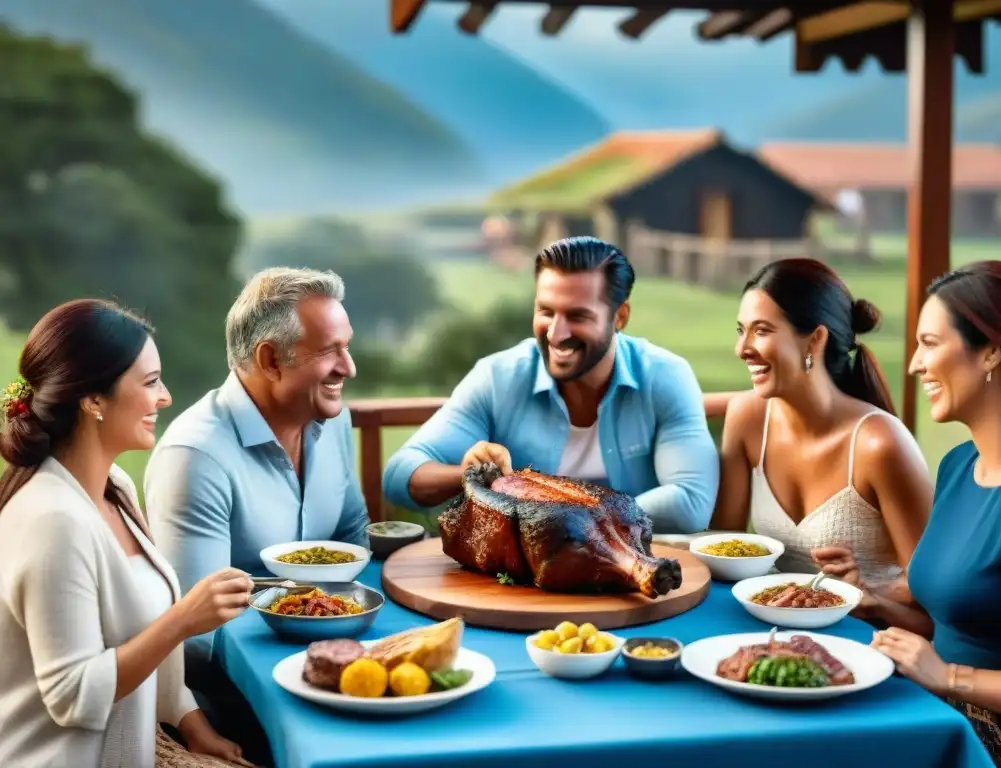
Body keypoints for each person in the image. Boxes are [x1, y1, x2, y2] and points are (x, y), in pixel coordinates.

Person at [0, 300, 253, 768]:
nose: (166, 397)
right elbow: (72, 695)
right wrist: (183, 619)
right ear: (93, 400)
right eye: (151, 382)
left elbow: (137, 640)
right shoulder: (53, 521)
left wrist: (195, 728)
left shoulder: (113, 487)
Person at [145, 267, 369, 764]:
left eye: (346, 346)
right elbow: (197, 641)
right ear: (270, 359)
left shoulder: (332, 420)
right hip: (238, 705)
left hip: (334, 660)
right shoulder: (196, 456)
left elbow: (355, 540)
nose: (348, 367)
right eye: (330, 350)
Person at [816, 261, 1001, 765]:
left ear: (992, 349)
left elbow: (958, 660)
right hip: (933, 710)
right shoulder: (958, 466)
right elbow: (965, 624)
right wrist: (874, 601)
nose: (913, 364)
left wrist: (951, 677)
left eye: (930, 343)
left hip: (994, 743)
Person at [382, 236, 720, 533]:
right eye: (546, 311)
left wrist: (567, 519)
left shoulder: (665, 376)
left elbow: (691, 502)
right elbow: (399, 476)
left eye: (577, 316)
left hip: (636, 577)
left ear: (619, 317)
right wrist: (471, 475)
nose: (556, 334)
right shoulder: (498, 377)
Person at [711, 258, 933, 586]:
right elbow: (723, 552)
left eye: (762, 331)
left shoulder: (880, 444)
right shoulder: (746, 418)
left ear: (815, 339)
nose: (742, 349)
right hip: (778, 625)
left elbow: (931, 589)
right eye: (741, 331)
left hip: (871, 630)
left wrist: (864, 593)